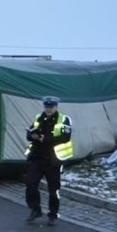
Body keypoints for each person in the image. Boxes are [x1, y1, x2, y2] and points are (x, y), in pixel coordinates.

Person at [24, 96, 73, 224]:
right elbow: (29, 134)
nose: (48, 109)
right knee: (30, 184)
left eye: (51, 107)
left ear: (56, 107)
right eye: (46, 107)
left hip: (53, 160)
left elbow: (66, 137)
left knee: (53, 189)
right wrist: (32, 135)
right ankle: (35, 209)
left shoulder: (64, 119)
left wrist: (45, 139)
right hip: (37, 158)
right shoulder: (39, 118)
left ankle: (53, 214)